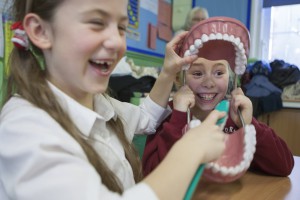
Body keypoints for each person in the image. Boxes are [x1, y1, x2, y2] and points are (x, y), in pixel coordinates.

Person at [0, 0, 227, 199]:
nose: (118, 43)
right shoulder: (24, 130)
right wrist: (189, 152)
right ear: (40, 31)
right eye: (97, 23)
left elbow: (146, 118)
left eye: (121, 28)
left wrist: (167, 72)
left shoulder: (99, 101)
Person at [143, 17, 294, 179]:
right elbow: (151, 173)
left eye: (219, 73)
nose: (209, 83)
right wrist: (178, 118)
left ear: (230, 77)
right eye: (197, 73)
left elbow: (284, 166)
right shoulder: (169, 116)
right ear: (180, 79)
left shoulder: (234, 117)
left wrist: (249, 124)